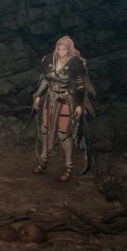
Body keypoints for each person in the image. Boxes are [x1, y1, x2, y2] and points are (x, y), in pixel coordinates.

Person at [32, 35, 91, 182]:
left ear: (69, 49)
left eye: (64, 49)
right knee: (44, 129)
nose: (61, 51)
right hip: (49, 99)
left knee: (63, 135)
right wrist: (38, 95)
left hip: (66, 101)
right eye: (59, 48)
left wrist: (79, 105)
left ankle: (68, 167)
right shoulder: (49, 60)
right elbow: (46, 80)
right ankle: (43, 160)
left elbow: (80, 85)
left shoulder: (76, 63)